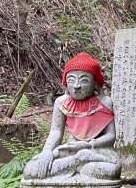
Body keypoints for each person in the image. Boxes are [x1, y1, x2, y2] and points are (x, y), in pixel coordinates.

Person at [23, 52, 121, 180]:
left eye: (84, 80)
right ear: (66, 83)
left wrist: (88, 145)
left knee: (110, 170)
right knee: (30, 170)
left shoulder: (104, 102)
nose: (76, 86)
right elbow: (56, 132)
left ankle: (78, 164)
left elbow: (111, 136)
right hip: (70, 151)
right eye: (71, 80)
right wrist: (47, 151)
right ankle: (77, 162)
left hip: (98, 152)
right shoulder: (61, 103)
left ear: (95, 83)